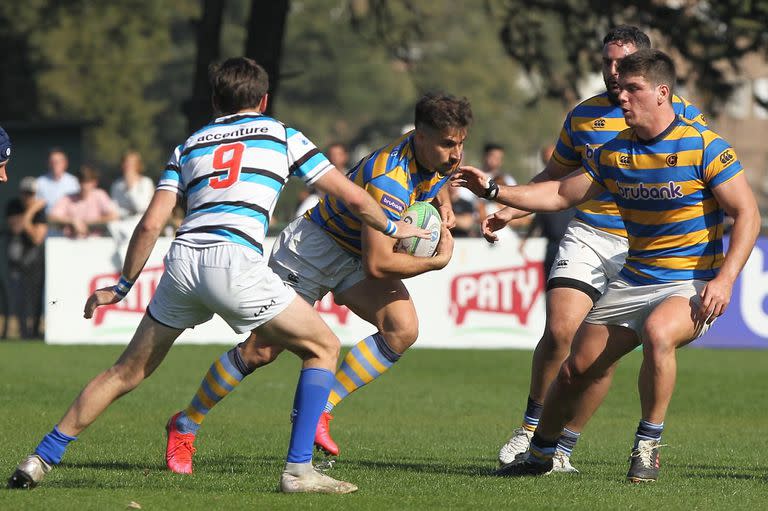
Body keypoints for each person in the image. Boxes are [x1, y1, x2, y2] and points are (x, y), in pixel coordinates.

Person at [7, 57, 429, 494]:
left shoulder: (188, 146)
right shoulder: (281, 134)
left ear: (214, 101)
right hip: (234, 263)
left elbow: (151, 223)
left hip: (183, 262)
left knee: (125, 372)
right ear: (263, 100)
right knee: (322, 346)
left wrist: (122, 285)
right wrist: (398, 228)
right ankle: (299, 472)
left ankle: (40, 458)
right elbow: (353, 198)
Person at [456, 49, 760, 481]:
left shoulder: (703, 145)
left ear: (661, 93)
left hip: (688, 282)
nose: (623, 98)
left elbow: (748, 214)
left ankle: (647, 444)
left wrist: (726, 279)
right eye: (621, 90)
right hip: (635, 277)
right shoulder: (615, 151)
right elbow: (560, 194)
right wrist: (493, 191)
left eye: (634, 90)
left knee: (658, 333)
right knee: (575, 369)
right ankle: (542, 453)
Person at [163, 92, 470, 473]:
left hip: (351, 254)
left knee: (402, 329)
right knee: (260, 351)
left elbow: (436, 177)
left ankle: (321, 411)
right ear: (419, 136)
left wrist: (444, 206)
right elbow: (379, 264)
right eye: (448, 144)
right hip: (313, 251)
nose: (456, 154)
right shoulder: (388, 179)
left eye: (461, 142)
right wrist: (437, 262)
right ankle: (185, 424)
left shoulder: (435, 154)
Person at [485, 25, 707, 472]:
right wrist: (509, 204)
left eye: (622, 66)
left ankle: (561, 446)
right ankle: (531, 429)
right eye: (606, 63)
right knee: (562, 331)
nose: (611, 73)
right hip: (591, 233)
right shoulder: (584, 117)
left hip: (646, 248)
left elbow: (711, 186)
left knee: (600, 353)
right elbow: (557, 181)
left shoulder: (686, 120)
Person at [520, 145, 575, 277]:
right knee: (550, 283)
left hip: (572, 242)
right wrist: (526, 239)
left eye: (551, 158)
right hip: (552, 244)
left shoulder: (573, 178)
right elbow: (536, 213)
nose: (549, 161)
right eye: (546, 159)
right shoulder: (542, 183)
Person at [6, 177, 47, 339]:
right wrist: (30, 213)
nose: (28, 197)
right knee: (18, 298)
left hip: (34, 260)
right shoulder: (13, 206)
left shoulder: (40, 212)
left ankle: (35, 332)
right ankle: (23, 333)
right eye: (25, 193)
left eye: (31, 194)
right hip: (15, 261)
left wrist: (26, 219)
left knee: (35, 297)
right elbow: (16, 229)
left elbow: (37, 238)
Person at [48, 165, 119, 238]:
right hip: (71, 242)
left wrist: (87, 224)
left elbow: (114, 216)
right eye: (82, 181)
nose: (84, 186)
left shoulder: (100, 195)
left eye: (87, 182)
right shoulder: (68, 198)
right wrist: (73, 221)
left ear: (94, 183)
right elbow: (52, 217)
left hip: (96, 241)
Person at [110, 151, 155, 219]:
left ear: (137, 165)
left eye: (131, 163)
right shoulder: (117, 184)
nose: (127, 165)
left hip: (140, 221)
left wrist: (130, 187)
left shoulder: (146, 182)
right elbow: (114, 208)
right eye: (125, 162)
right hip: (120, 223)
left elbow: (141, 207)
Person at [36, 148, 80, 214]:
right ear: (48, 163)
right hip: (46, 221)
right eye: (52, 162)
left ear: (65, 163)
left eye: (58, 162)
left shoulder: (74, 182)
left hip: (69, 221)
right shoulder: (39, 182)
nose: (55, 164)